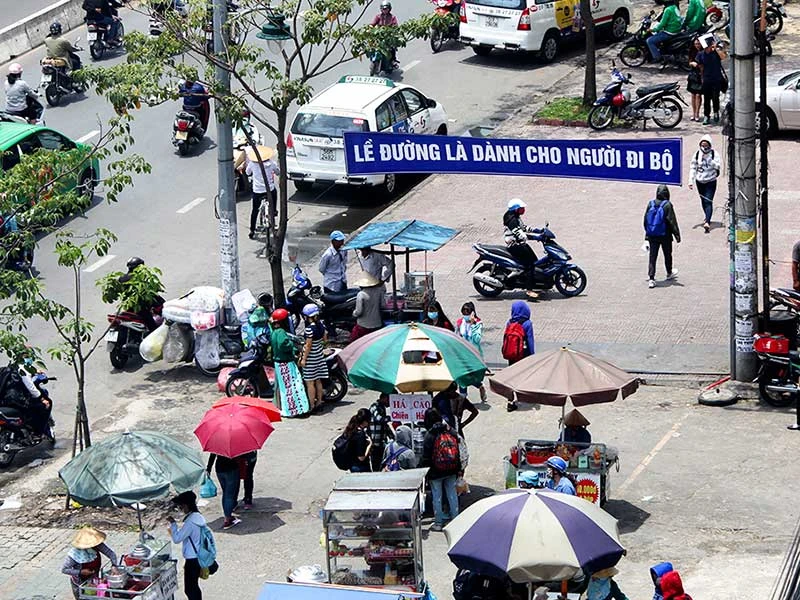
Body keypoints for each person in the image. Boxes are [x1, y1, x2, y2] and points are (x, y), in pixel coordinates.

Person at [421, 407, 460, 531]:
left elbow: (426, 457)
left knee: (437, 497)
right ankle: (456, 520)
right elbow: (458, 449)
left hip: (435, 472)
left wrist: (423, 472)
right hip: (452, 469)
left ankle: (438, 523)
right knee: (452, 494)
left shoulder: (430, 435)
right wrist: (459, 469)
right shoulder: (450, 431)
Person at [167, 491, 209, 600]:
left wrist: (173, 524)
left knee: (190, 589)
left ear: (186, 505)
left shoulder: (190, 522)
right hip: (199, 555)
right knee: (194, 586)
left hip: (192, 559)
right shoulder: (198, 517)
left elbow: (177, 539)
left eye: (180, 506)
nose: (181, 509)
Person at [270, 308, 310, 418]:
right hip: (286, 363)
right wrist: (293, 348)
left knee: (284, 388)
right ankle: (294, 410)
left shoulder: (274, 332)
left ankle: (288, 409)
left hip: (279, 363)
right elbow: (283, 344)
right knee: (293, 386)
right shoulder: (281, 332)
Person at [62, 525, 118, 599]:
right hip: (79, 581)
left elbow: (111, 554)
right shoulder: (73, 555)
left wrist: (114, 566)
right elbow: (64, 569)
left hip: (93, 578)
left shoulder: (97, 545)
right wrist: (81, 572)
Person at [644, 184, 681, 289]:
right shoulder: (667, 205)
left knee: (652, 257)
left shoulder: (650, 203)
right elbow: (672, 221)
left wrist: (647, 235)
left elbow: (646, 220)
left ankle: (651, 278)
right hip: (665, 235)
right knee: (667, 254)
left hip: (652, 235)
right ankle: (669, 272)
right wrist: (677, 235)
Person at [117, 256, 165, 332]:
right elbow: (150, 293)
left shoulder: (121, 278)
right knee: (153, 329)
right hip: (141, 309)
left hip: (127, 308)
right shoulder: (141, 278)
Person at [503, 300, 536, 412]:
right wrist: (532, 356)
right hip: (524, 354)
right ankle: (526, 396)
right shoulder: (527, 324)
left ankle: (510, 401)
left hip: (512, 354)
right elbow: (530, 341)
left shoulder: (509, 323)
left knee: (512, 377)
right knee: (526, 375)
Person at [242, 145, 279, 240]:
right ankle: (274, 211)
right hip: (269, 190)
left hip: (257, 191)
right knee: (275, 193)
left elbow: (247, 173)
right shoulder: (272, 163)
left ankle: (252, 230)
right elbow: (278, 172)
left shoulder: (252, 164)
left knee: (255, 210)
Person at [455, 301, 488, 403]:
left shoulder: (478, 323)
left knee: (471, 376)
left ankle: (479, 385)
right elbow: (456, 336)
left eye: (467, 313)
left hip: (473, 355)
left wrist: (473, 325)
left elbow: (477, 339)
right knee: (461, 376)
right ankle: (463, 397)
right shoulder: (460, 322)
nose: (465, 315)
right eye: (463, 313)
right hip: (462, 354)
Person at [688, 135, 721, 233]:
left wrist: (710, 161)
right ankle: (707, 216)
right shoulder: (697, 154)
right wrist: (690, 181)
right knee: (703, 200)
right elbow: (693, 168)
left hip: (711, 181)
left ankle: (707, 222)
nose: (704, 148)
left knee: (708, 201)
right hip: (700, 181)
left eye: (706, 145)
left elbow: (718, 166)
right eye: (702, 145)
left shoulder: (714, 154)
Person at [299, 303, 328, 413]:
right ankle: (319, 402)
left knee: (310, 383)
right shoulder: (321, 326)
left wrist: (303, 359)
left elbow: (308, 345)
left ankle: (311, 406)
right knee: (318, 380)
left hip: (311, 359)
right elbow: (325, 340)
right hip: (319, 357)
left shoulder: (309, 330)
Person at [691, 37, 726, 125]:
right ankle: (706, 116)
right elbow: (701, 67)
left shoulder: (716, 53)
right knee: (707, 99)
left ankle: (716, 112)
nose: (707, 48)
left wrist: (716, 48)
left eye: (709, 46)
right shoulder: (701, 54)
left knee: (715, 97)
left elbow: (723, 57)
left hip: (716, 79)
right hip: (706, 79)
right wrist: (702, 78)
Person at [206, 453, 242, 530]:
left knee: (225, 493)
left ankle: (227, 515)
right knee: (229, 495)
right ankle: (227, 519)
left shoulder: (217, 445)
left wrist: (208, 468)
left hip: (219, 469)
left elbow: (212, 455)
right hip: (231, 468)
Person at [351, 272, 384, 342]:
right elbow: (383, 305)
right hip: (377, 323)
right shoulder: (379, 291)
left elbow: (359, 312)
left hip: (364, 325)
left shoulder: (361, 294)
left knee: (356, 341)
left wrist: (354, 313)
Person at [367, 393, 394, 470]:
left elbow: (384, 425)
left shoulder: (382, 408)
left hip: (382, 442)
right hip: (375, 443)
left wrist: (392, 436)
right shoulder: (375, 407)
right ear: (385, 398)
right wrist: (391, 417)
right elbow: (378, 419)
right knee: (376, 465)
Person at [371, 0, 399, 64]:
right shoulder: (378, 16)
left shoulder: (392, 17)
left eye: (386, 9)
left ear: (389, 9)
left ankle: (393, 60)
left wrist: (393, 31)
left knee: (392, 47)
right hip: (379, 35)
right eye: (383, 9)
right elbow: (372, 24)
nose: (385, 10)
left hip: (388, 36)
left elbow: (395, 26)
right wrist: (369, 28)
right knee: (373, 46)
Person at [345, 408, 373, 472]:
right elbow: (361, 458)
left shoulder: (352, 428)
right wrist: (369, 445)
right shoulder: (360, 434)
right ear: (365, 421)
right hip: (360, 467)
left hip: (352, 464)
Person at [687, 37, 703, 122]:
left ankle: (697, 113)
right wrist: (692, 63)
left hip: (701, 75)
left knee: (698, 95)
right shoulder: (692, 51)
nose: (697, 45)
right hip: (693, 75)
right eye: (696, 44)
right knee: (693, 95)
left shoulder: (703, 52)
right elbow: (689, 61)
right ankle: (693, 113)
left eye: (698, 44)